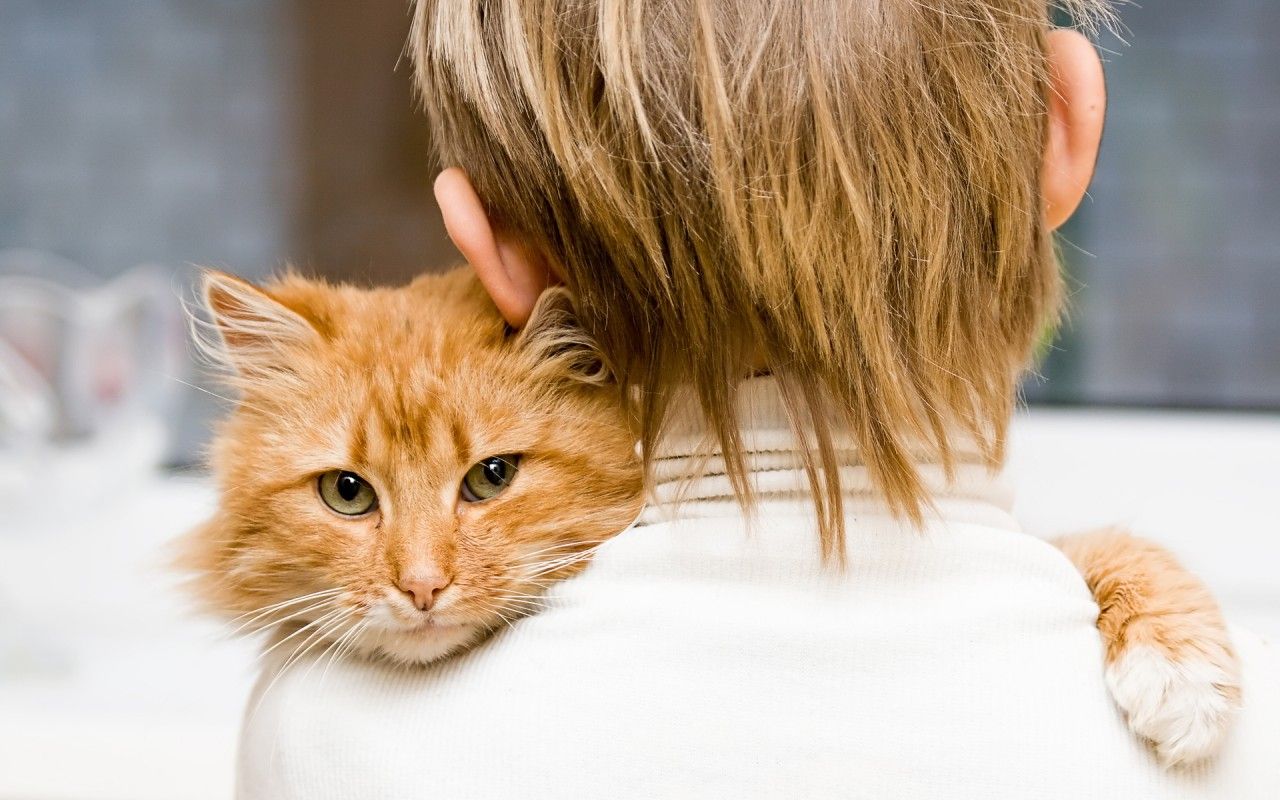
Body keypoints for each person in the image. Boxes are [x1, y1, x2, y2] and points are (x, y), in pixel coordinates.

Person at [235, 2, 1279, 796]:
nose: (422, 572)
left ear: (494, 250)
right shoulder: (1236, 724)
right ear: (1062, 132)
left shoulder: (328, 725)